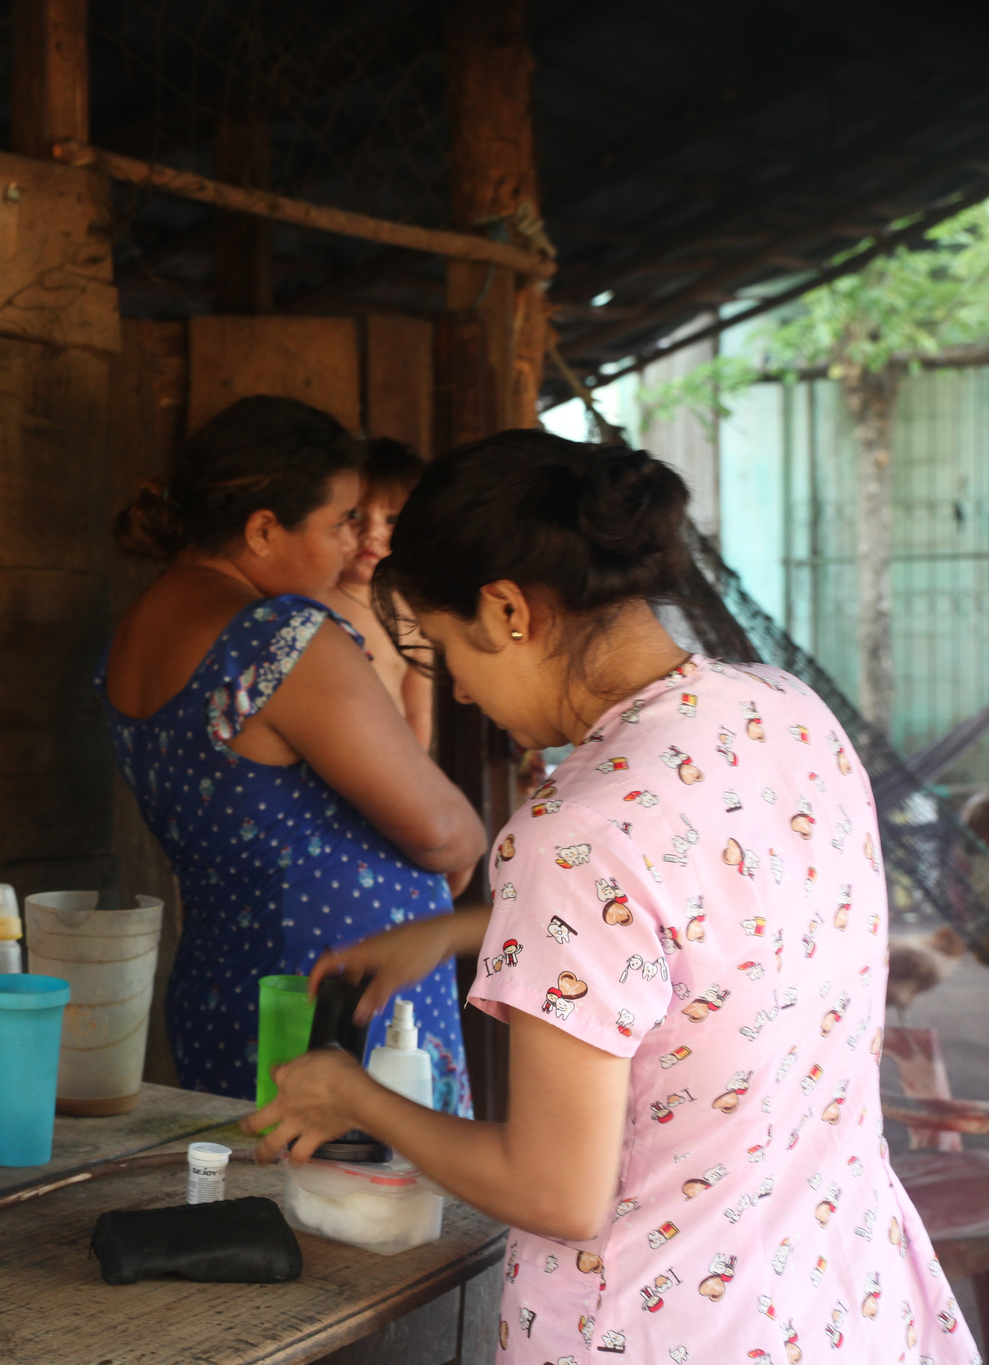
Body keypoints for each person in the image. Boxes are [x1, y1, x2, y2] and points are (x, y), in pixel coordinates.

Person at [250, 429, 977, 1364]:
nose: (460, 693)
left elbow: (554, 1190)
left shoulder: (574, 831)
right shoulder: (784, 710)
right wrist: (468, 929)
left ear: (510, 609)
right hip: (834, 1295)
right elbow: (717, 922)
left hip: (655, 1329)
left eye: (442, 647)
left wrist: (355, 1093)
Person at [100, 396, 488, 1107]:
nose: (351, 544)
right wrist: (464, 842)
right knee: (362, 1203)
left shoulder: (138, 628)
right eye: (342, 520)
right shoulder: (279, 637)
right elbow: (444, 833)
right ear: (263, 528)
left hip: (227, 985)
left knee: (256, 1206)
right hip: (337, 998)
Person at [328, 438, 434, 748]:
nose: (372, 532)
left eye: (392, 520)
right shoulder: (308, 599)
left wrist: (414, 780)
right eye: (355, 515)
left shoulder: (413, 617)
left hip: (385, 770)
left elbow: (418, 714)